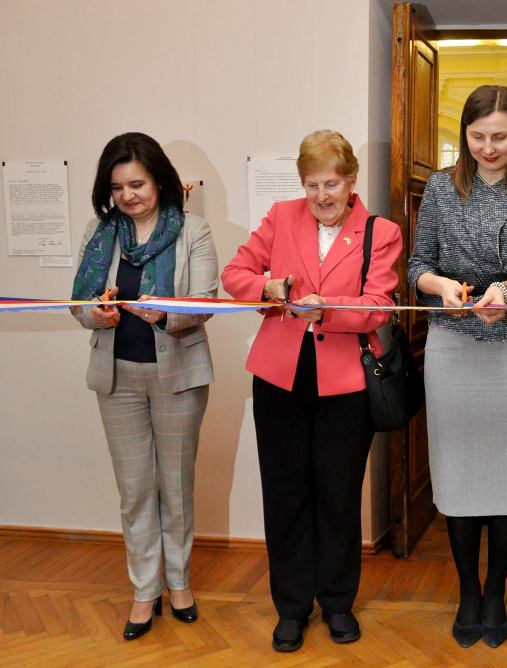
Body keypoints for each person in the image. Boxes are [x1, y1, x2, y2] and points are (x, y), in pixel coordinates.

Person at [221, 130, 402, 652]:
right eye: (312, 184)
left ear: (351, 181)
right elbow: (235, 273)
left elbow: (379, 307)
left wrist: (327, 311)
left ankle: (339, 603)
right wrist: (268, 287)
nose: (322, 195)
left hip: (346, 385)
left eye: (332, 183)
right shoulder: (281, 217)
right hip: (279, 379)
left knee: (338, 496)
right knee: (285, 495)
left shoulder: (380, 232)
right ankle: (292, 607)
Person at [407, 84, 507, 650]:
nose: (488, 148)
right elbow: (418, 264)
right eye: (477, 137)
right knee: (460, 470)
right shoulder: (441, 187)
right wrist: (442, 287)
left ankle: (496, 590)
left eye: (500, 136)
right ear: (464, 135)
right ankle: (468, 589)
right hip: (454, 343)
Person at [70, 132, 217, 640]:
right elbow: (79, 304)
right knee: (134, 491)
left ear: (159, 180)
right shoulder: (99, 232)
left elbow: (205, 300)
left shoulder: (193, 230)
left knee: (175, 487)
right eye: (117, 188)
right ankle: (144, 589)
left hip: (179, 376)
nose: (127, 195)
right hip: (117, 379)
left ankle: (179, 583)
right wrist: (96, 314)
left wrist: (167, 314)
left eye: (136, 184)